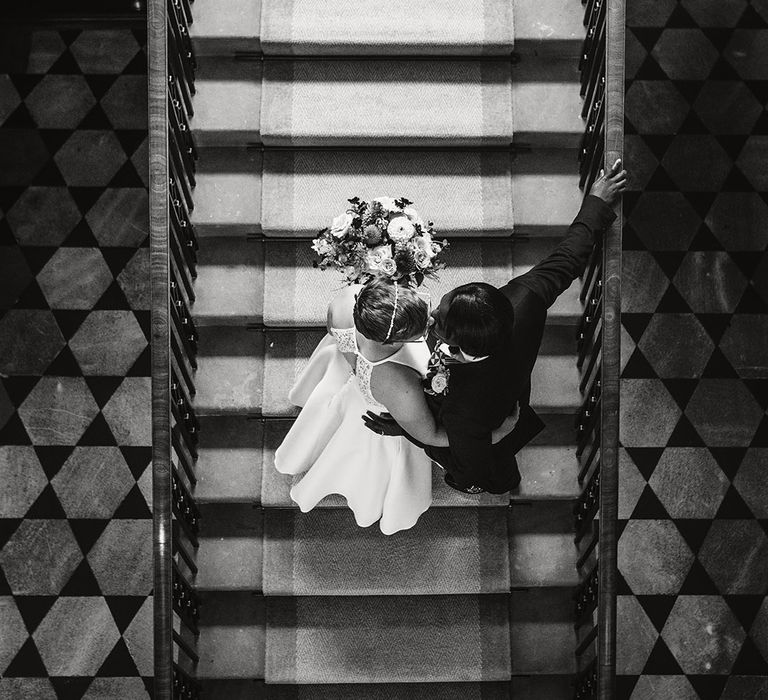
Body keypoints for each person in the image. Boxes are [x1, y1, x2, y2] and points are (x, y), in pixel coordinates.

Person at [363, 159, 628, 494]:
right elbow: (566, 260)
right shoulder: (523, 299)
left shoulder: (463, 410)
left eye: (440, 322)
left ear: (462, 344)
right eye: (444, 303)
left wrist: (413, 429)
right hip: (509, 386)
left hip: (490, 418)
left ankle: (503, 483)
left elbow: (470, 463)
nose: (430, 318)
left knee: (495, 473)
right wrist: (597, 204)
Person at [274, 276, 518, 534]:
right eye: (422, 331)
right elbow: (431, 434)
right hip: (385, 399)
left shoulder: (350, 298)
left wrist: (353, 361)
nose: (432, 321)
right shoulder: (398, 383)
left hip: (357, 377)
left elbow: (332, 329)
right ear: (391, 341)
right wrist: (493, 435)